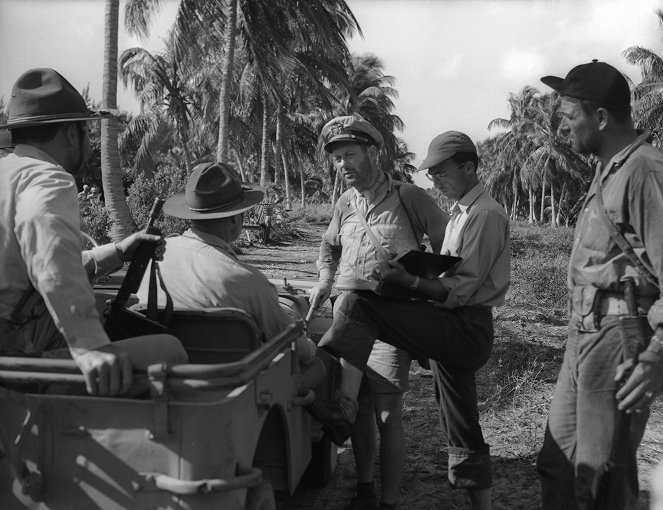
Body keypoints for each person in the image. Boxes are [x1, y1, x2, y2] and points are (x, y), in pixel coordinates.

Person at [308, 130, 510, 510]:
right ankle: (479, 503)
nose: (434, 181)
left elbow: (460, 287)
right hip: (443, 319)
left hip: (460, 322)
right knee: (461, 421)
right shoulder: (461, 213)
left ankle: (337, 407)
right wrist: (326, 280)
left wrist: (410, 281)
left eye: (441, 173)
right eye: (430, 174)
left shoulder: (481, 214)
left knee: (357, 306)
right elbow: (447, 268)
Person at [0, 68, 188, 396]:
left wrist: (118, 252)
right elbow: (51, 262)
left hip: (17, 339)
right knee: (170, 350)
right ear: (73, 134)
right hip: (14, 362)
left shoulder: (8, 175)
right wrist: (89, 346)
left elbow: (44, 263)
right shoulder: (47, 179)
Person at [536, 60, 663, 509]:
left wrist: (654, 356)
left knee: (601, 480)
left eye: (570, 118)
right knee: (558, 465)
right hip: (584, 337)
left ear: (602, 118)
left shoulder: (644, 172)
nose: (562, 131)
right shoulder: (608, 169)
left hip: (617, 337)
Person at [308, 114, 449, 510]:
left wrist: (415, 284)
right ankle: (365, 490)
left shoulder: (409, 197)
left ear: (372, 151)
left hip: (390, 321)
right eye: (337, 159)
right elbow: (328, 247)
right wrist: (323, 278)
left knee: (387, 413)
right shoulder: (344, 203)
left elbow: (445, 249)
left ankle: (388, 501)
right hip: (348, 318)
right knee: (356, 410)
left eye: (350, 154)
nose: (343, 165)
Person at [135, 161, 322, 383]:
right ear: (235, 219)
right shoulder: (246, 280)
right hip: (232, 386)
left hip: (162, 379)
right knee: (319, 366)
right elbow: (299, 350)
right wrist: (310, 345)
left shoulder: (153, 259)